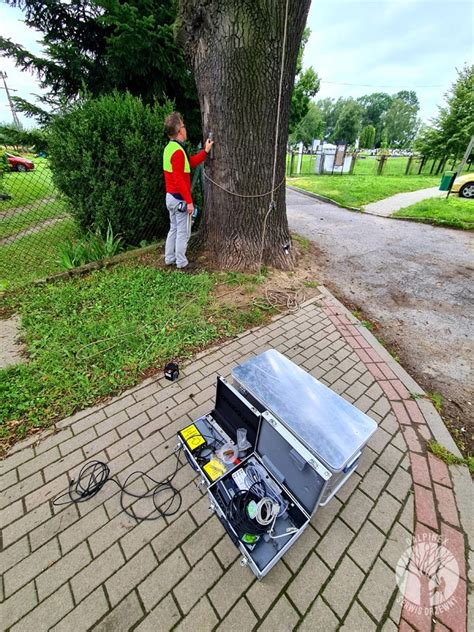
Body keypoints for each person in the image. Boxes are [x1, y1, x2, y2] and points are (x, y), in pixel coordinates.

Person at [163, 112, 214, 269]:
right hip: (179, 199)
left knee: (174, 229)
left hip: (171, 197)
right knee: (183, 232)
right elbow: (179, 181)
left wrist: (205, 152)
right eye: (183, 126)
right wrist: (189, 202)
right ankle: (181, 262)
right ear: (179, 130)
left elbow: (190, 162)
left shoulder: (171, 148)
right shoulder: (178, 152)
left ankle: (169, 258)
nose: (185, 129)